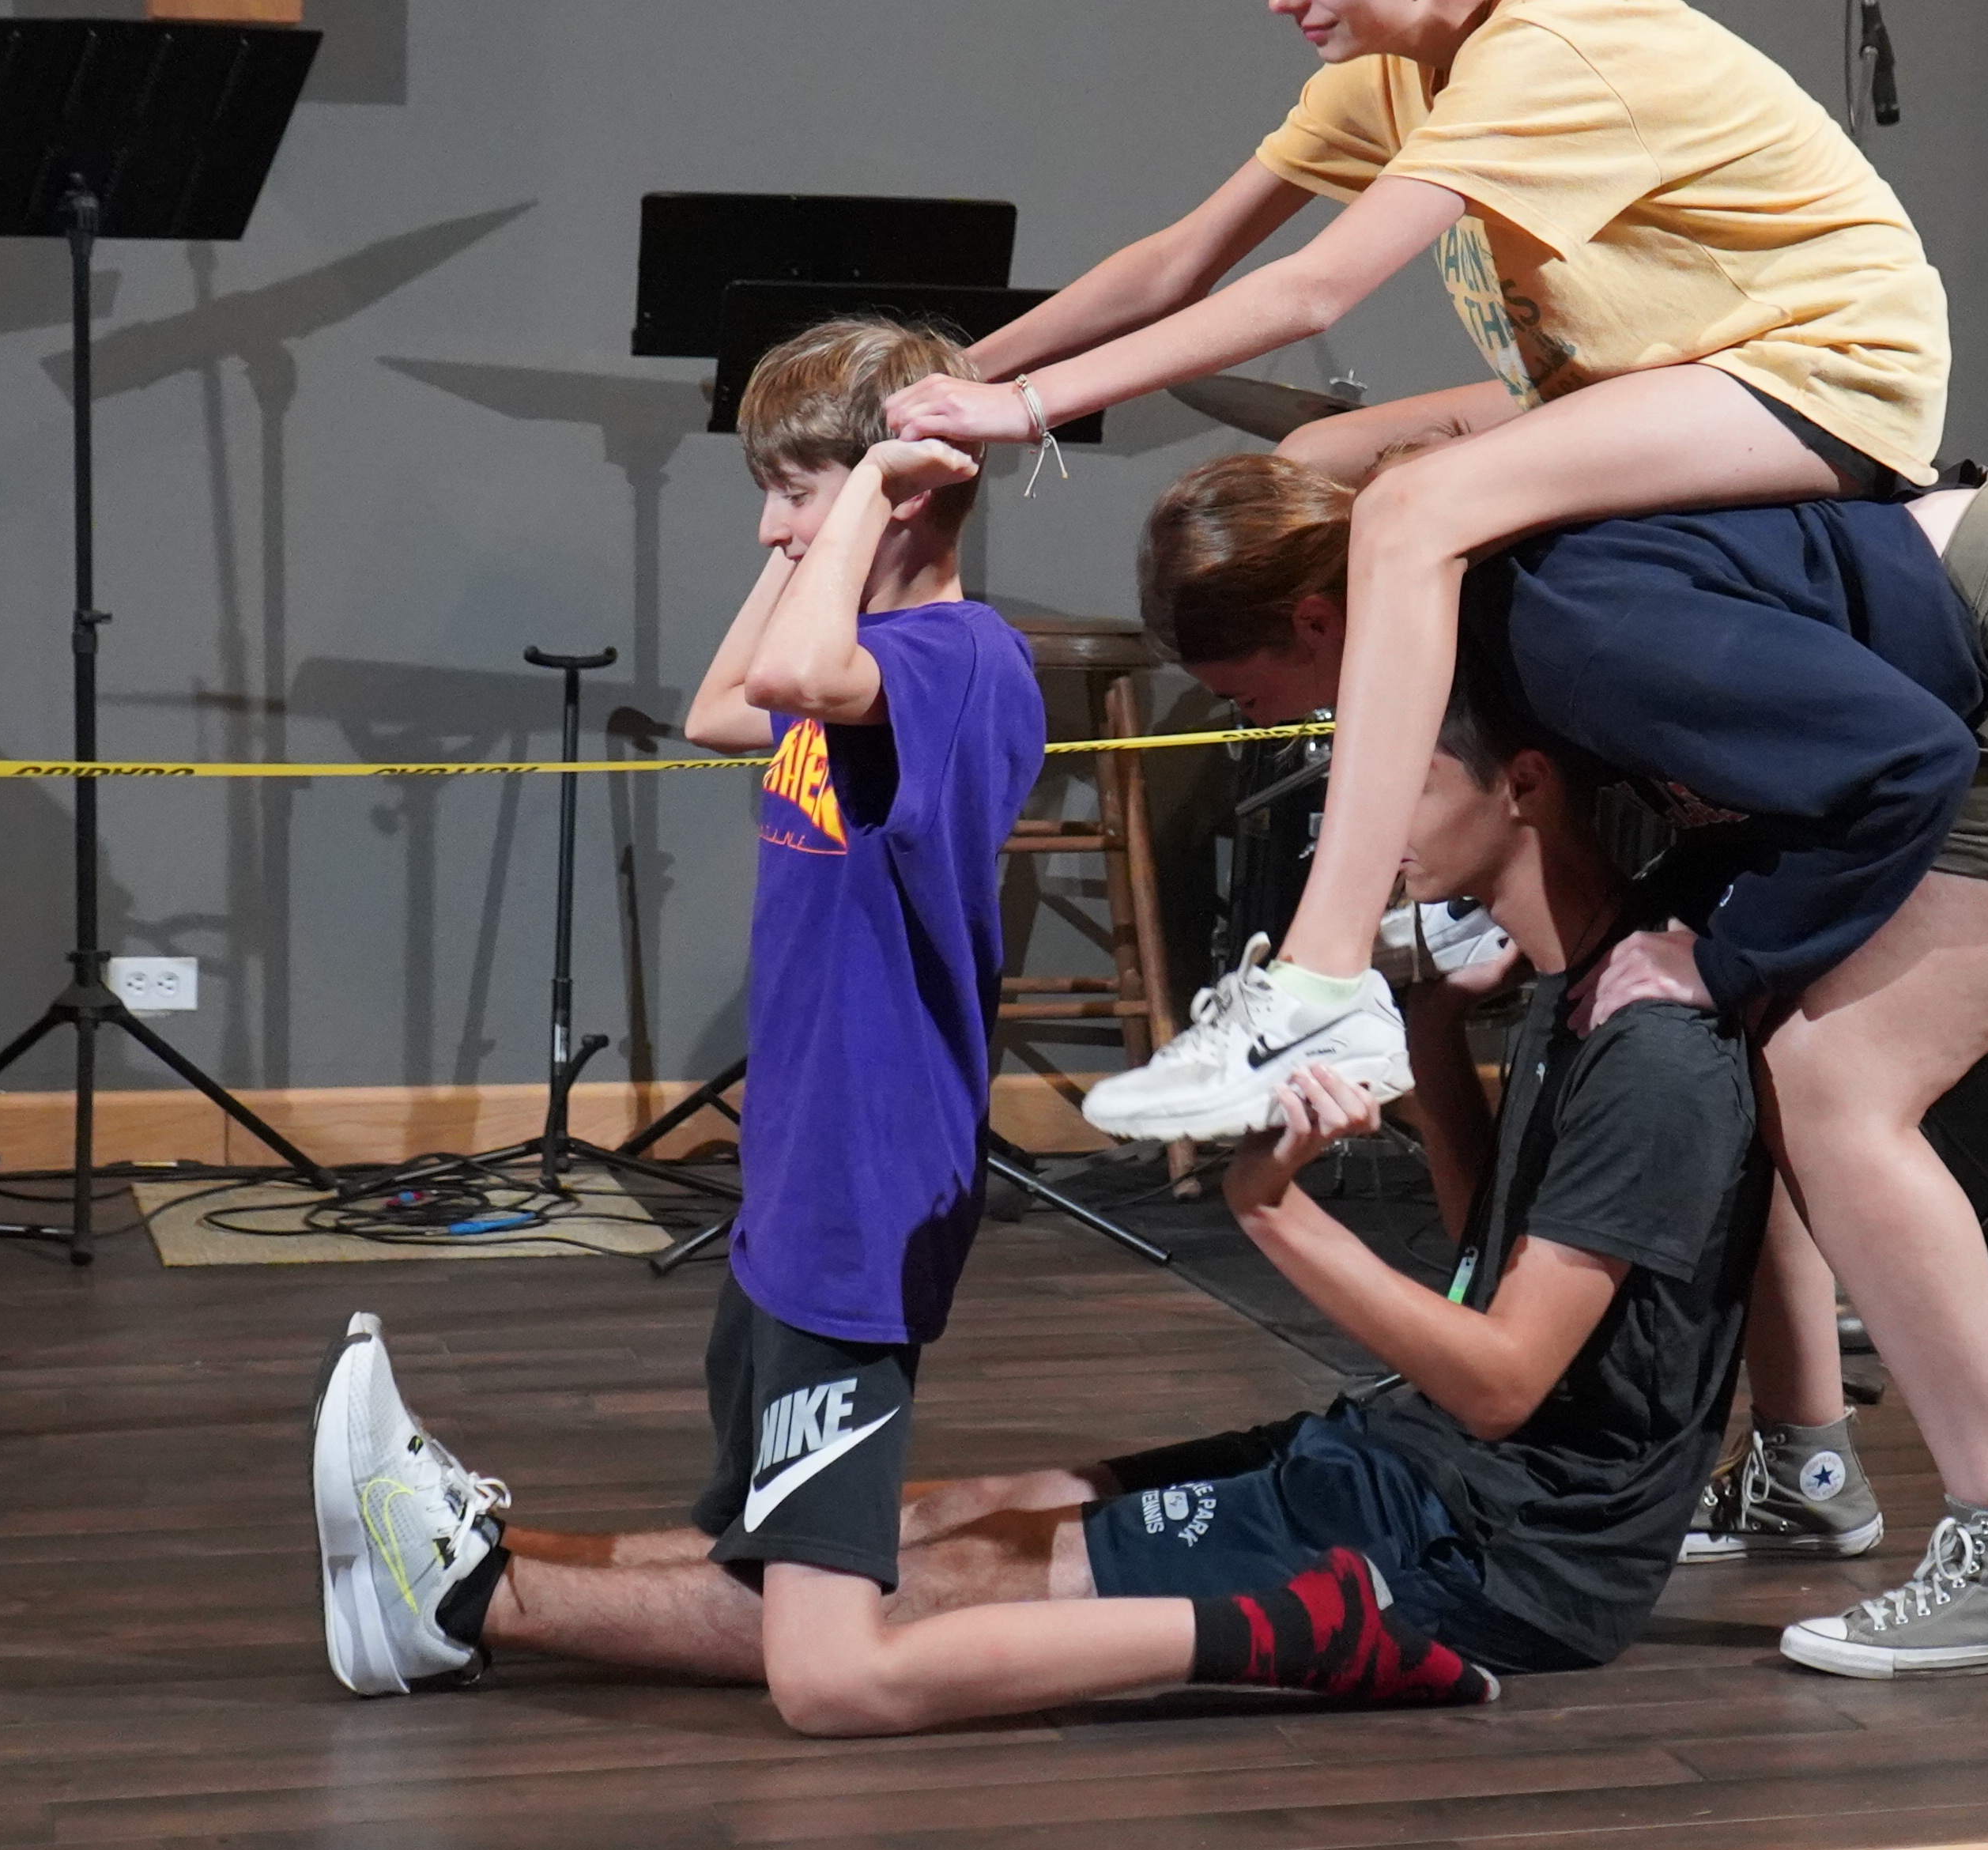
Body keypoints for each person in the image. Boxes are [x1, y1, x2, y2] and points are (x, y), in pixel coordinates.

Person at [302, 649, 1764, 1730]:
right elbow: (1485, 1267)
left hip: (1488, 1553)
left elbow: (1509, 1379)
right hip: (1417, 1462)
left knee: (956, 1576)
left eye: (1405, 782)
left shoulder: (1655, 1056)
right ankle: (486, 1539)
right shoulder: (1584, 999)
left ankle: (461, 1597)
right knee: (955, 1509)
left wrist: (1271, 1211)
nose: (1357, 821)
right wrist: (1439, 1034)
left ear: (1524, 787)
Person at [888, 0, 1952, 1144]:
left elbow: (1306, 295)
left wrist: (1024, 416)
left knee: (1419, 505)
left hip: (1824, 367)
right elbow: (1178, 260)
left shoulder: (1550, 51)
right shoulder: (1394, 70)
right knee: (1331, 461)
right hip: (1662, 368)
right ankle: (1469, 870)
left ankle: (1328, 974)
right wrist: (959, 376)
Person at [1137, 450, 1988, 1678]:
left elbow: (1906, 762)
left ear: (1320, 618)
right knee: (1754, 1041)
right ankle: (1807, 1469)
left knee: (1836, 1083)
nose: (1305, 730)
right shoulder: (1510, 636)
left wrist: (1720, 961)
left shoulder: (1571, 634)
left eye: (1259, 693)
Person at [308, 313, 1040, 1720]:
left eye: (797, 495)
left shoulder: (958, 661)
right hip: (798, 1165)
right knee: (752, 1539)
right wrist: (837, 519)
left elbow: (788, 680)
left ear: (912, 487)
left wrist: (882, 489)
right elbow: (722, 705)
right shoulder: (860, 659)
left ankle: (456, 1596)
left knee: (808, 1613)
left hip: (866, 1181)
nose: (774, 531)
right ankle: (464, 1570)